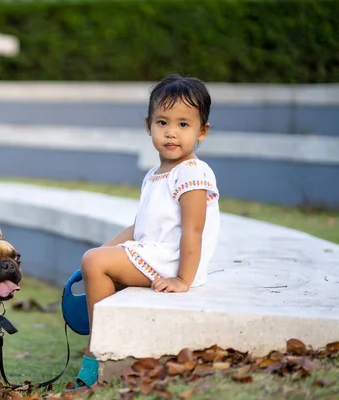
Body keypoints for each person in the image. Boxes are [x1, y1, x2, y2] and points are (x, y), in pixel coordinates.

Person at [75, 74, 221, 388]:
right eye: (163, 122)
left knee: (94, 261)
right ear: (148, 126)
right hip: (153, 252)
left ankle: (96, 350)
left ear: (202, 132)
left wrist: (183, 279)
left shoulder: (193, 172)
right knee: (93, 260)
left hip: (171, 261)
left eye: (184, 125)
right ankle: (102, 336)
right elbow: (138, 227)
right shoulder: (156, 174)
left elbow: (193, 231)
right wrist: (102, 253)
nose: (171, 132)